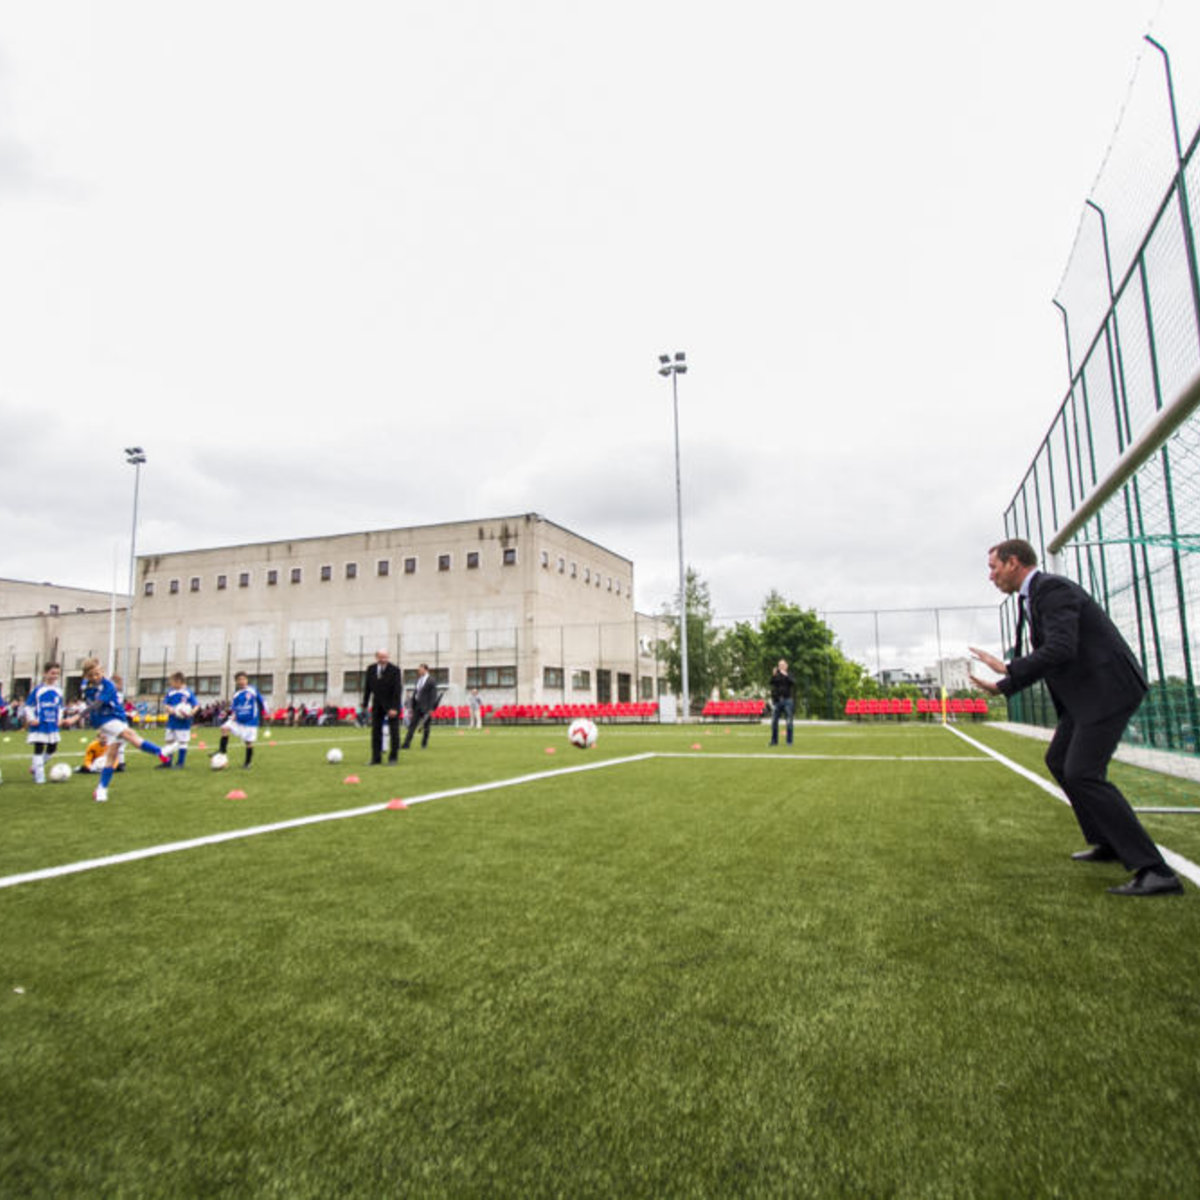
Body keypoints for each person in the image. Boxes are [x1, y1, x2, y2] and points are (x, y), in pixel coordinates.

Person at [968, 537, 1182, 897]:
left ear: (1014, 562)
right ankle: (1108, 842)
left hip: (1106, 690)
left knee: (1083, 772)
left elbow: (1060, 649)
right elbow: (1055, 654)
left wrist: (1007, 671)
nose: (991, 576)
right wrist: (1006, 683)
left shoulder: (1052, 590)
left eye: (993, 567)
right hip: (1086, 697)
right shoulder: (1036, 596)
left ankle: (1155, 870)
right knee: (1059, 760)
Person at [80, 657, 171, 802]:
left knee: (112, 755)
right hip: (106, 720)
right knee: (129, 734)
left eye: (97, 674)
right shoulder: (86, 686)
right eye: (91, 675)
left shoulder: (108, 685)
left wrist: (78, 716)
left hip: (116, 718)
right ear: (86, 676)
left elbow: (97, 704)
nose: (95, 677)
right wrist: (79, 716)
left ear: (102, 671)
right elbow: (94, 705)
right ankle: (160, 752)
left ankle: (101, 789)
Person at [25, 662, 66, 784]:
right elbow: (28, 706)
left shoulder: (59, 691)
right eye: (52, 673)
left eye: (57, 674)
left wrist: (59, 718)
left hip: (52, 724)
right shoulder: (38, 690)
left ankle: (35, 768)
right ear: (45, 673)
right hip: (39, 724)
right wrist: (32, 719)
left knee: (52, 748)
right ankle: (39, 777)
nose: (55, 676)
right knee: (39, 748)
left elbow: (60, 707)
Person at [218, 672, 267, 768]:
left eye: (243, 679)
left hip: (250, 722)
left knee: (248, 743)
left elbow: (262, 701)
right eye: (239, 680)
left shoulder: (252, 690)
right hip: (238, 721)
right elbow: (234, 707)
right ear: (236, 682)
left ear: (247, 680)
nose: (241, 681)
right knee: (224, 728)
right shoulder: (236, 694)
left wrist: (266, 713)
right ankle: (222, 753)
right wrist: (231, 714)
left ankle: (247, 763)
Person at [362, 649, 402, 766]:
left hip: (391, 705)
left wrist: (394, 707)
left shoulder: (395, 670)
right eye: (381, 657)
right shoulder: (371, 669)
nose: (383, 660)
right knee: (375, 732)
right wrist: (365, 704)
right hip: (377, 705)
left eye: (385, 657)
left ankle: (393, 758)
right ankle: (376, 758)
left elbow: (397, 690)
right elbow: (367, 688)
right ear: (376, 657)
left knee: (394, 732)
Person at [162, 671, 199, 768]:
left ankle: (180, 763)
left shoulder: (187, 692)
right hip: (172, 721)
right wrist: (169, 709)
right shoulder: (171, 691)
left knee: (182, 742)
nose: (171, 683)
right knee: (169, 741)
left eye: (172, 681)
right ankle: (167, 763)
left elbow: (196, 705)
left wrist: (191, 712)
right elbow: (166, 703)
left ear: (179, 681)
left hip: (183, 723)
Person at [402, 663, 439, 750]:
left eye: (420, 669)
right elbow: (416, 692)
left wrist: (431, 708)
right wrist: (412, 704)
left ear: (425, 669)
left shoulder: (431, 680)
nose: (418, 671)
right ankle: (406, 744)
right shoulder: (419, 680)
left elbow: (433, 695)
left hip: (426, 707)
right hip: (417, 706)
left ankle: (424, 744)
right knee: (412, 725)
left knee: (426, 726)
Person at [769, 659, 795, 746]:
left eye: (783, 665)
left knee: (789, 721)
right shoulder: (777, 676)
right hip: (777, 701)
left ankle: (789, 741)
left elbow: (793, 682)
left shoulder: (789, 674)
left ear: (786, 666)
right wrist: (774, 675)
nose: (781, 667)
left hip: (787, 700)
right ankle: (774, 741)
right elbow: (771, 683)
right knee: (774, 722)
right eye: (780, 665)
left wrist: (786, 675)